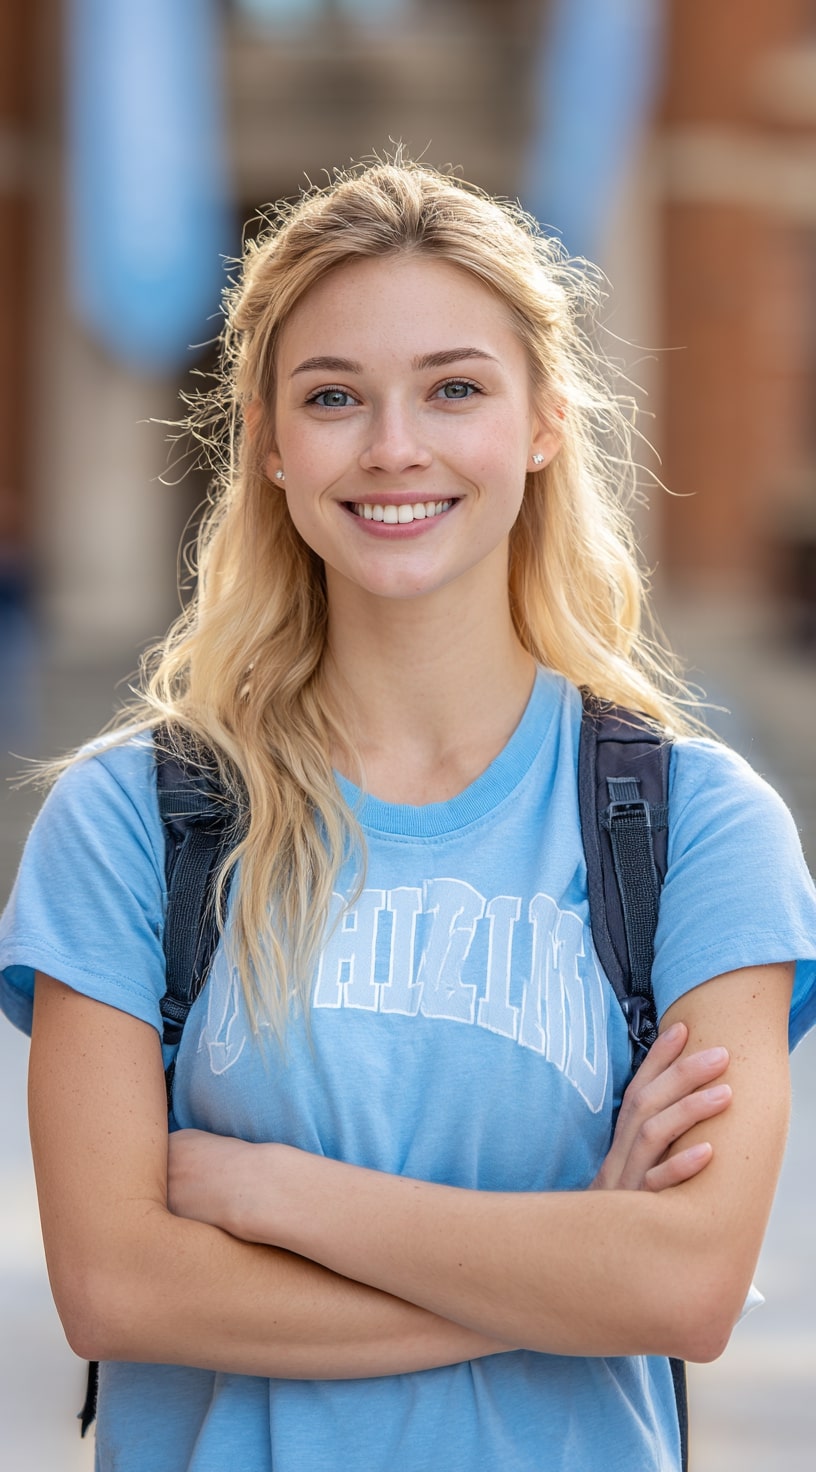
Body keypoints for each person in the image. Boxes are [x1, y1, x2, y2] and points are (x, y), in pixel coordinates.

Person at [2, 158, 816, 1472]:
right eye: (334, 397)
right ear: (267, 440)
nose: (395, 447)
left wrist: (276, 1196)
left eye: (454, 388)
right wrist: (564, 1263)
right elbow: (119, 1288)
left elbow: (682, 1288)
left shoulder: (696, 829)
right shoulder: (129, 824)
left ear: (545, 419)